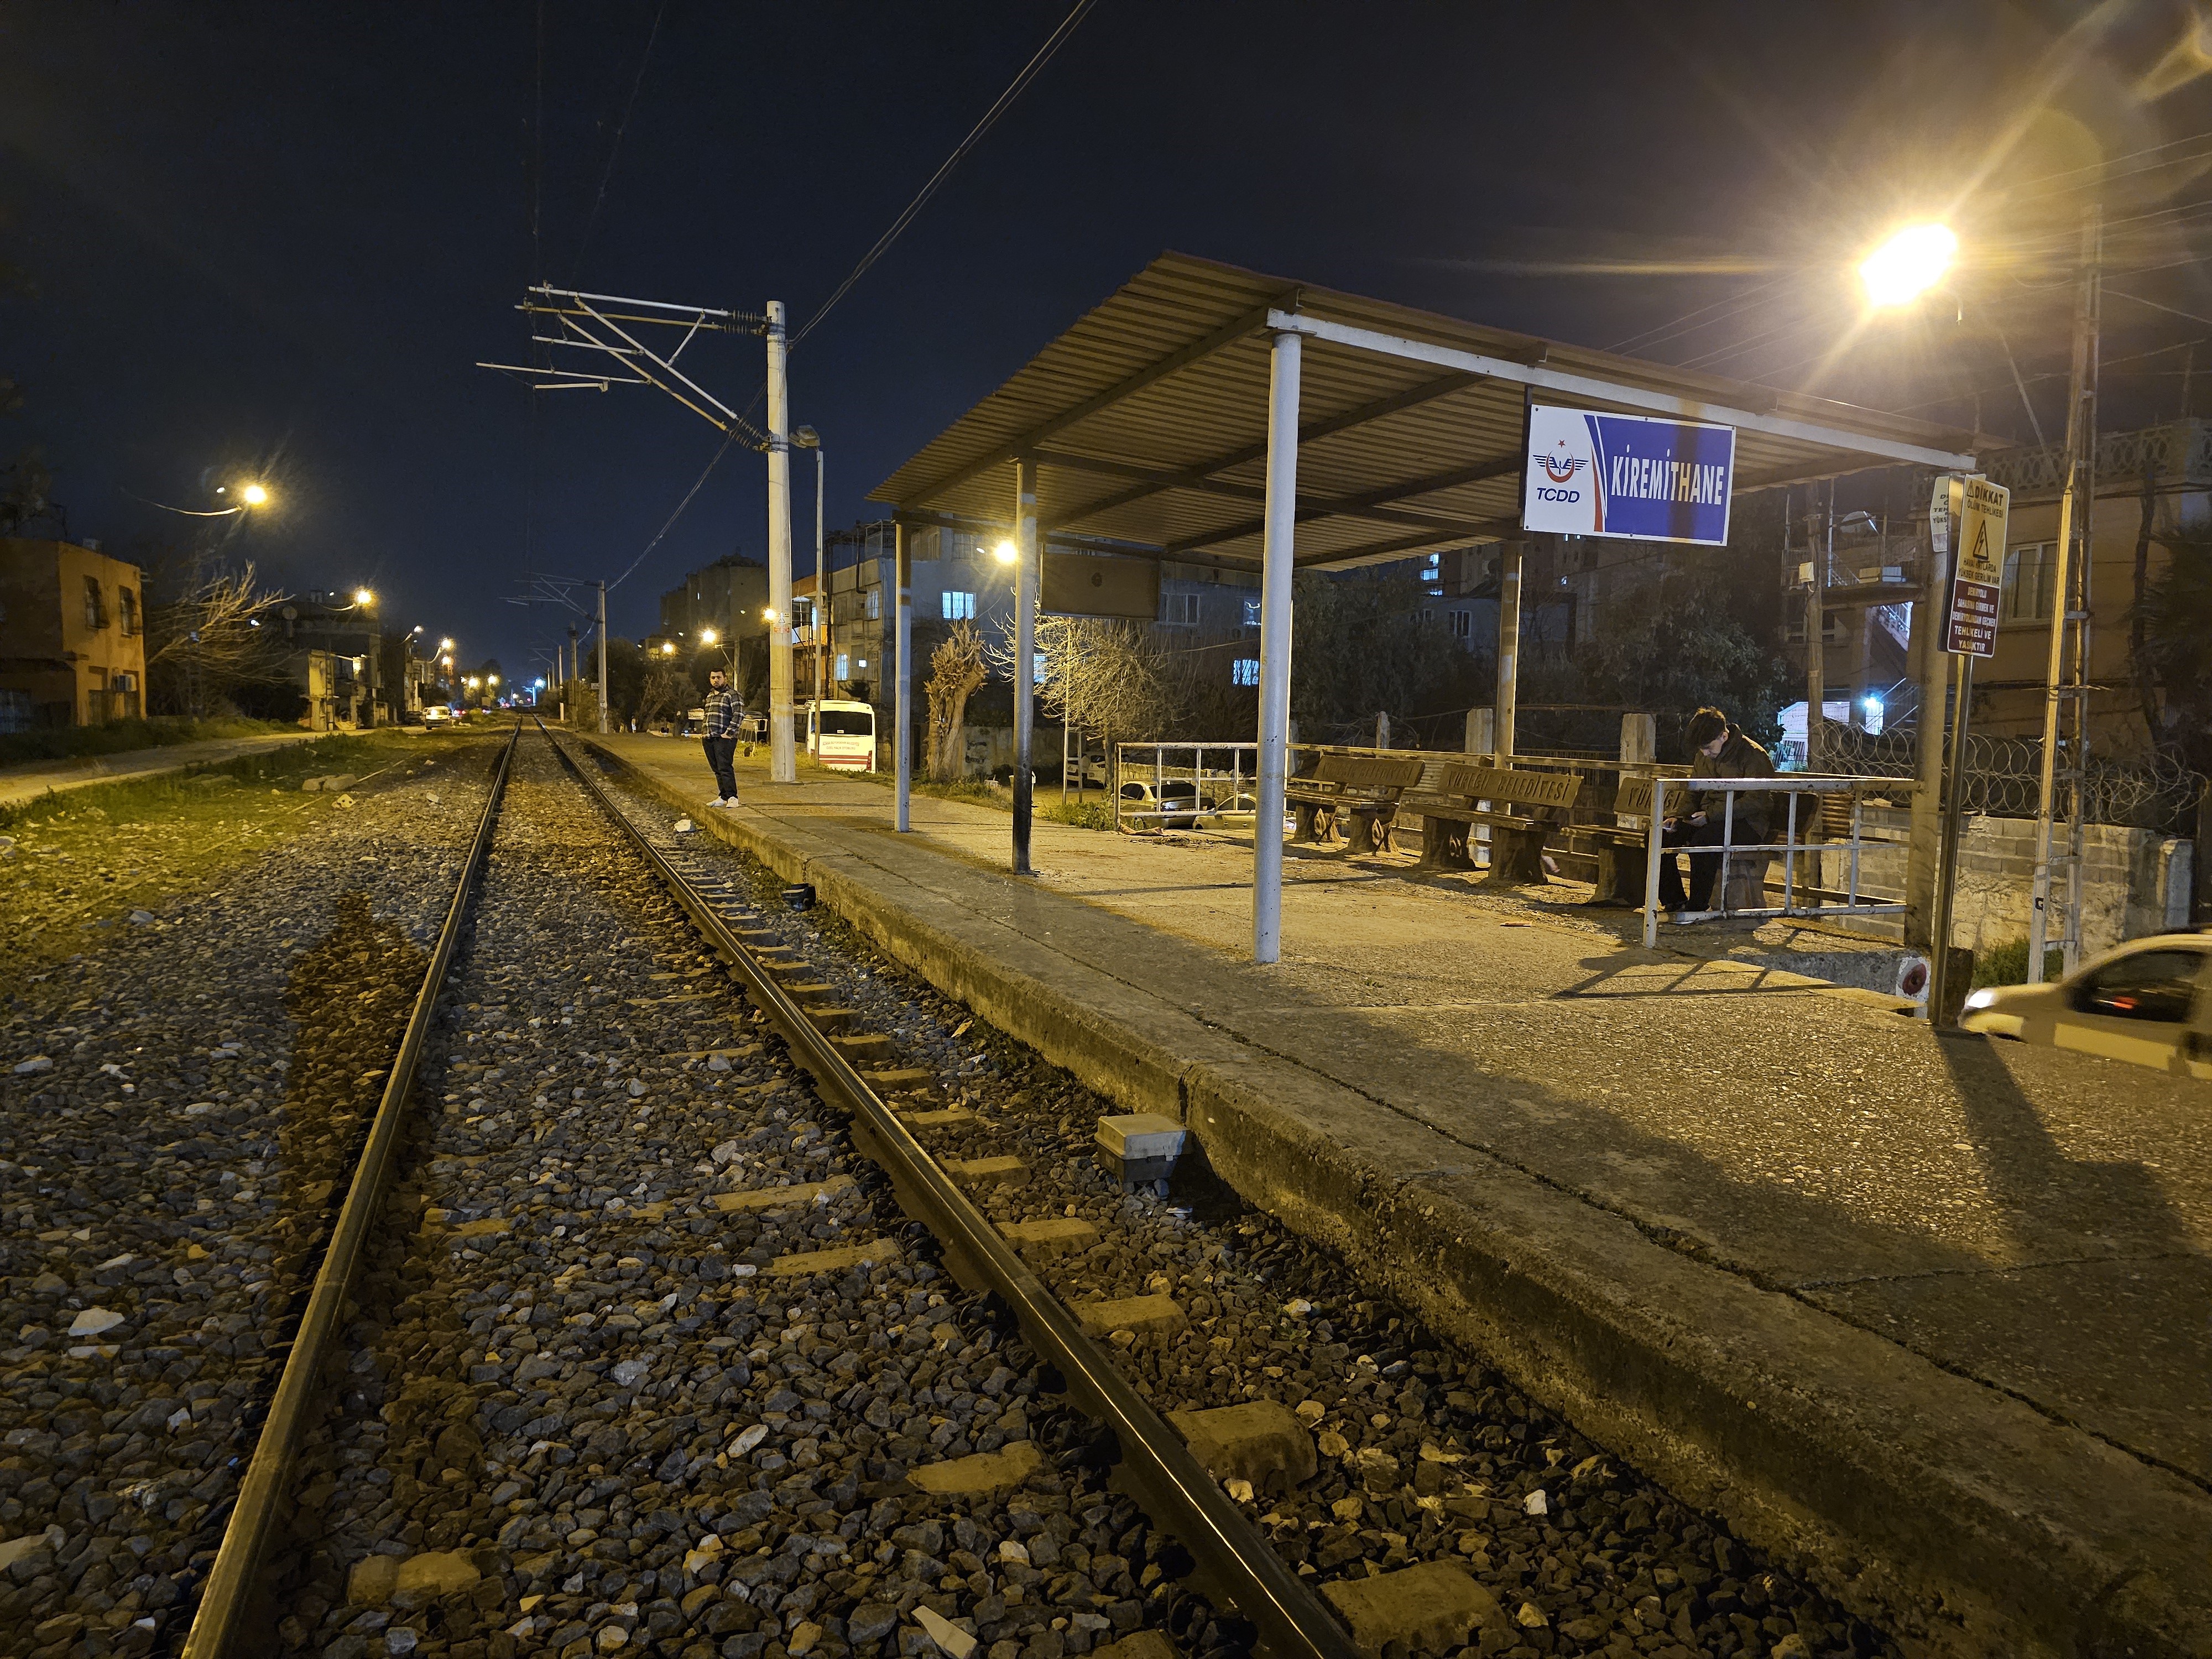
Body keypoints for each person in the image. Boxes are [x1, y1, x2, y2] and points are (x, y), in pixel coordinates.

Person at [1659, 706, 1777, 915]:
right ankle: (1674, 901)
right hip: (1710, 819)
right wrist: (1679, 817)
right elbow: (1694, 790)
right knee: (1657, 836)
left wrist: (1712, 815)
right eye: (1701, 748)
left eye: (1708, 747)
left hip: (1747, 824)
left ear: (1724, 736)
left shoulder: (1753, 755)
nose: (1705, 753)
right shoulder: (1704, 755)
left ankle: (1697, 906)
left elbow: (1758, 801)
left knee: (1704, 841)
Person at [701, 667, 743, 808]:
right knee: (717, 769)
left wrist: (728, 733)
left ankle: (732, 797)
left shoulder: (732, 695)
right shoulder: (710, 696)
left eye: (719, 677)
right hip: (709, 737)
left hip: (724, 738)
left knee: (725, 767)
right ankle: (723, 796)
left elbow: (739, 715)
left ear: (725, 678)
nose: (716, 680)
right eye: (713, 678)